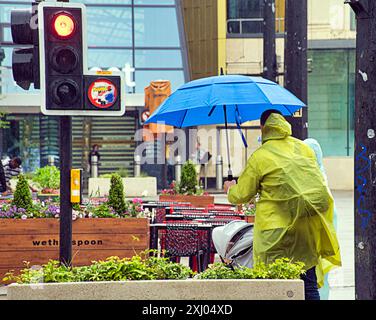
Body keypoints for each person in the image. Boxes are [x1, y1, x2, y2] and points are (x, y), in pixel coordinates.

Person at [224, 109, 341, 300]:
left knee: (272, 286)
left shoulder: (260, 156)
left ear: (263, 128)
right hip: (305, 229)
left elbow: (242, 194)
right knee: (308, 285)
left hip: (275, 234)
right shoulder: (303, 148)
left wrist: (230, 189)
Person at [304, 138, 339, 300]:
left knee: (315, 277)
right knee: (319, 275)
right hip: (322, 232)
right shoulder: (319, 174)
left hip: (316, 233)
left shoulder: (313, 177)